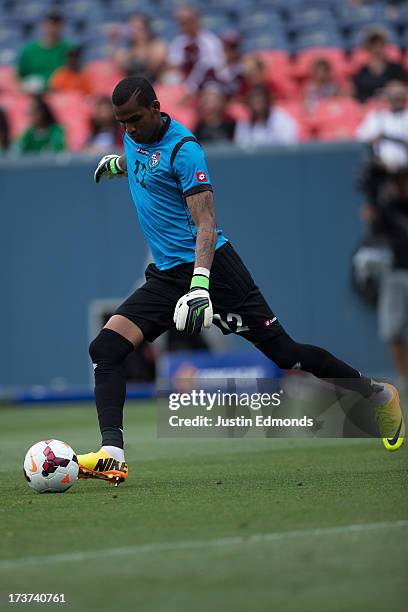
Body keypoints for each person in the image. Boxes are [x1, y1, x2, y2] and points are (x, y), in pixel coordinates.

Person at [76, 76, 404, 485]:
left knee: (287, 355)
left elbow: (207, 225)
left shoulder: (184, 150)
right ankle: (112, 454)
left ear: (158, 107)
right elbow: (138, 157)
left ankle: (376, 394)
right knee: (106, 348)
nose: (128, 129)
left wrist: (200, 285)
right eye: (121, 122)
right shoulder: (133, 137)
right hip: (165, 276)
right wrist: (116, 165)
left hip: (214, 272)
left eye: (135, 119)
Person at [168, 6, 225, 94]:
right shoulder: (178, 42)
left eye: (188, 21)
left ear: (196, 20)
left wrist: (191, 86)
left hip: (206, 82)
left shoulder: (210, 41)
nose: (184, 25)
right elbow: (174, 65)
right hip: (184, 83)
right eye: (181, 22)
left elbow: (211, 68)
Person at [356, 81, 408, 171]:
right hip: (381, 168)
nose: (398, 99)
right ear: (388, 97)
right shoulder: (377, 116)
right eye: (394, 96)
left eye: (400, 95)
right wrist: (374, 139)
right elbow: (361, 138)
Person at [17, 12, 73, 93]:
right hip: (33, 93)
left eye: (56, 25)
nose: (53, 29)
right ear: (43, 26)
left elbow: (75, 75)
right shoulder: (29, 50)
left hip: (60, 93)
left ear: (62, 27)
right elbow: (20, 76)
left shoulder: (69, 50)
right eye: (50, 25)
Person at [353, 26, 406, 103]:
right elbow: (359, 95)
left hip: (392, 109)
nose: (377, 47)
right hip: (370, 110)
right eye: (373, 44)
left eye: (380, 43)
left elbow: (402, 90)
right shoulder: (361, 72)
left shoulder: (396, 68)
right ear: (367, 47)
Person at [234, 85, 299, 147]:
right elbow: (240, 147)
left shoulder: (282, 120)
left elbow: (289, 147)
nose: (256, 104)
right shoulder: (244, 122)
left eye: (260, 101)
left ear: (268, 101)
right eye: (253, 101)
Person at [111, 14, 167, 83]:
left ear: (147, 29)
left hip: (155, 86)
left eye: (138, 28)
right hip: (134, 88)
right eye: (131, 29)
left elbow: (153, 65)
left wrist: (141, 42)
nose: (134, 32)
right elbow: (119, 65)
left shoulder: (158, 44)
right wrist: (115, 42)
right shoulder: (128, 50)